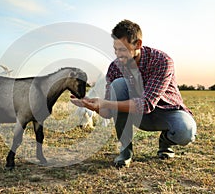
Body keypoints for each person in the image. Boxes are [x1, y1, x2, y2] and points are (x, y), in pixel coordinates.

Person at [71, 19, 197, 168]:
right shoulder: (115, 68)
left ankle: (165, 141)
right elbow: (108, 112)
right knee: (118, 84)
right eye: (115, 49)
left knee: (186, 131)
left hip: (167, 111)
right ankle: (125, 151)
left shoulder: (161, 61)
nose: (118, 55)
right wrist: (92, 105)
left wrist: (105, 103)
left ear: (138, 44)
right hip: (139, 116)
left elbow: (146, 104)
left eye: (123, 49)